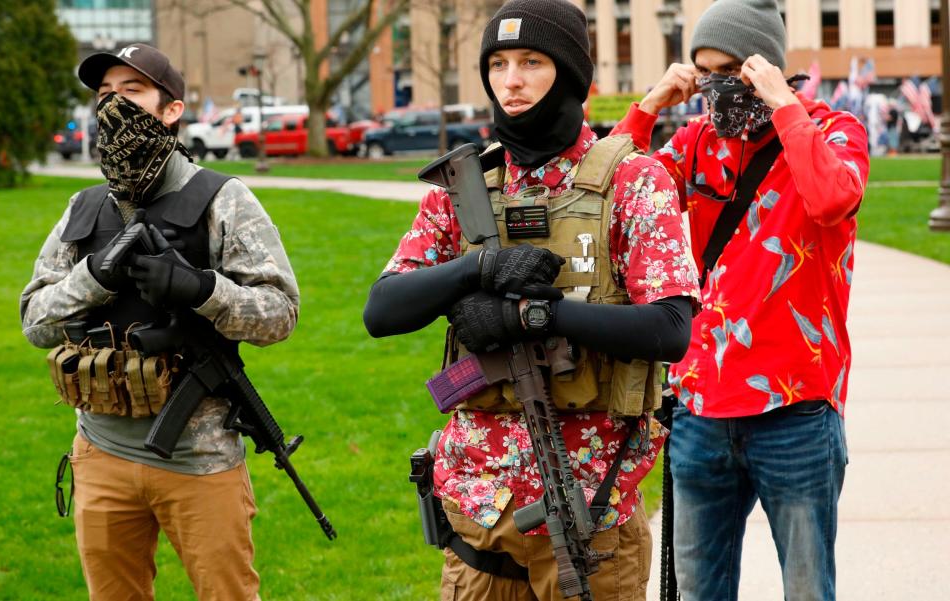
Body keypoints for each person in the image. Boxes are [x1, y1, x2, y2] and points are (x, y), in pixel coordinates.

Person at [364, 1, 701, 599]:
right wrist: (478, 268)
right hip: (480, 510)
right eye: (497, 64)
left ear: (570, 74)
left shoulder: (634, 181)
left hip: (590, 511)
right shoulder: (463, 189)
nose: (511, 81)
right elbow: (383, 309)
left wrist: (534, 316)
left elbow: (672, 327)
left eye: (531, 62)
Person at [20, 43, 299, 601]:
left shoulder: (223, 199)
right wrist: (93, 277)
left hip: (200, 458)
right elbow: (34, 321)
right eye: (104, 96)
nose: (114, 107)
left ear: (172, 109)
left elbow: (280, 314)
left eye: (132, 92)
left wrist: (202, 290)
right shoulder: (84, 208)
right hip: (99, 452)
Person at [610, 1, 869, 599]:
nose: (721, 89)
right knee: (701, 591)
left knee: (807, 589)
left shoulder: (833, 131)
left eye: (735, 71)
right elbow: (613, 203)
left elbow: (833, 199)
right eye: (707, 74)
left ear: (768, 66)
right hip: (700, 408)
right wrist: (648, 108)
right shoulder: (696, 140)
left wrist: (783, 106)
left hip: (796, 407)